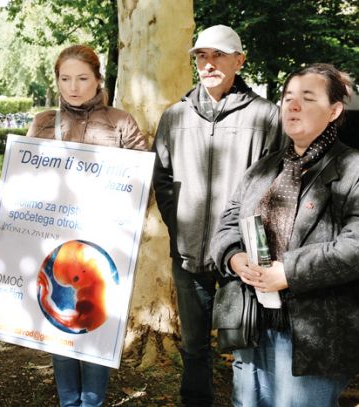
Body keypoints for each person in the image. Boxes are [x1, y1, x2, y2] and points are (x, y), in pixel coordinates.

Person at [211, 63, 358, 406]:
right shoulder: (264, 167)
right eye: (288, 97)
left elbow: (354, 247)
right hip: (253, 322)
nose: (292, 105)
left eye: (307, 98)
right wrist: (235, 257)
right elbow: (227, 224)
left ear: (334, 110)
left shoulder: (351, 169)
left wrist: (288, 272)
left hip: (313, 332)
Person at [152, 25, 283, 406]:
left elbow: (275, 184)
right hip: (188, 256)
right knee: (194, 349)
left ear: (239, 61)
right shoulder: (174, 117)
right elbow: (162, 178)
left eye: (218, 56)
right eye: (201, 57)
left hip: (241, 260)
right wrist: (179, 228)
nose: (208, 64)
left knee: (242, 348)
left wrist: (250, 243)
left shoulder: (265, 116)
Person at [28, 44, 148, 407]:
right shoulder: (44, 122)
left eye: (82, 78)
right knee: (60, 321)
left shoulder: (120, 122)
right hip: (56, 244)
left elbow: (143, 185)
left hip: (105, 245)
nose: (74, 87)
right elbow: (25, 178)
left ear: (98, 79)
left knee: (97, 325)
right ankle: (68, 402)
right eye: (65, 79)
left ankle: (92, 402)